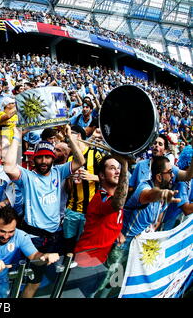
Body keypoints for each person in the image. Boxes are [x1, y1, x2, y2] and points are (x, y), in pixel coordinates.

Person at [3, 126, 85, 298]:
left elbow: (80, 161)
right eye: (40, 158)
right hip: (35, 238)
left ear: (53, 159)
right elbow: (9, 167)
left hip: (54, 235)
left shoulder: (58, 172)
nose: (44, 161)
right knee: (33, 280)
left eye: (48, 157)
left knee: (34, 278)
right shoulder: (28, 177)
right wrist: (17, 137)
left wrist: (70, 137)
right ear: (34, 161)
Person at [95, 155, 181, 298]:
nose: (173, 176)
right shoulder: (145, 188)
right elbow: (148, 195)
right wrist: (160, 194)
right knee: (110, 282)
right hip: (124, 244)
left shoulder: (166, 194)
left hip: (140, 246)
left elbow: (156, 221)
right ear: (159, 177)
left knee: (124, 282)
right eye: (170, 172)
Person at [72, 155, 130, 297]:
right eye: (112, 168)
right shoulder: (101, 198)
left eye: (119, 168)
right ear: (102, 176)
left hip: (100, 261)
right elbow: (118, 204)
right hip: (86, 262)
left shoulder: (112, 195)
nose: (118, 172)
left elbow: (112, 217)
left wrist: (118, 231)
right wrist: (125, 165)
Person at [0, 206, 60, 298]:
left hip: (2, 279)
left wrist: (45, 257)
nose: (6, 236)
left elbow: (34, 256)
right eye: (2, 231)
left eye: (11, 232)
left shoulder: (21, 235)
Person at [64, 125, 104, 253]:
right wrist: (69, 179)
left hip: (90, 212)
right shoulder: (70, 159)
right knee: (68, 246)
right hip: (71, 211)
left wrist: (93, 177)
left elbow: (111, 179)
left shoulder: (96, 154)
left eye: (71, 133)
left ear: (79, 136)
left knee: (83, 248)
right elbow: (67, 188)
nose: (67, 137)